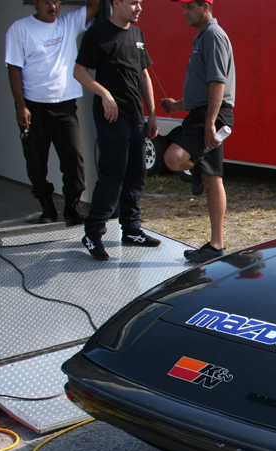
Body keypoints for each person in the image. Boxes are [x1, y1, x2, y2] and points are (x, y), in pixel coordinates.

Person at [74, 0, 161, 261]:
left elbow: (144, 74)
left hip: (135, 116)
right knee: (113, 174)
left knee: (136, 173)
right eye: (134, 2)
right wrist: (104, 94)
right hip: (112, 116)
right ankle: (93, 233)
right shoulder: (97, 34)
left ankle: (131, 230)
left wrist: (152, 113)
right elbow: (79, 72)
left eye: (141, 2)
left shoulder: (137, 34)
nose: (139, 7)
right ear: (116, 3)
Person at [5, 0, 100, 225]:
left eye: (56, 1)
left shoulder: (68, 23)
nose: (53, 6)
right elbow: (14, 69)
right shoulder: (20, 28)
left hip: (66, 106)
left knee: (74, 159)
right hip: (34, 107)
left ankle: (72, 207)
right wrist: (20, 106)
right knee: (36, 163)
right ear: (35, 2)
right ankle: (47, 206)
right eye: (47, 1)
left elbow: (95, 6)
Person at [160, 0, 236, 264]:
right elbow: (202, 89)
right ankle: (216, 246)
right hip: (202, 112)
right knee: (212, 179)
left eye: (190, 7)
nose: (185, 12)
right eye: (183, 7)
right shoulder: (202, 37)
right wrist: (177, 106)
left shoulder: (213, 35)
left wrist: (210, 123)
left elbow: (218, 83)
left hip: (212, 114)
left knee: (173, 158)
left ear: (206, 6)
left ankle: (194, 172)